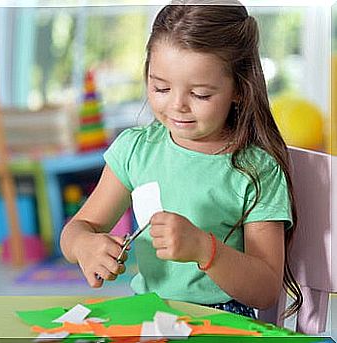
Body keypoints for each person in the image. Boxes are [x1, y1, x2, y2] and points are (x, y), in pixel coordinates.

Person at [60, 0, 303, 319]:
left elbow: (266, 289)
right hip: (147, 314)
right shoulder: (136, 150)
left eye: (200, 94)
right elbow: (77, 229)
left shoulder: (257, 170)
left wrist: (206, 250)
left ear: (240, 89)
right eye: (161, 88)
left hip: (223, 320)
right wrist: (84, 246)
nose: (177, 106)